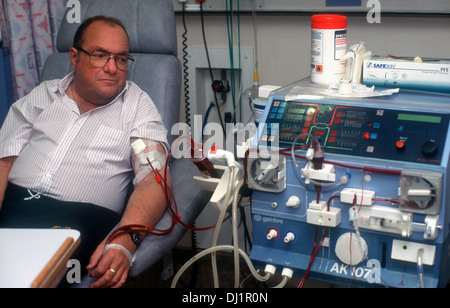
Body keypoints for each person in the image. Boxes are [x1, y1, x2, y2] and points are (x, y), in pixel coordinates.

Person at [0, 16, 171, 288]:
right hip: (13, 208)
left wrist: (125, 240)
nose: (112, 68)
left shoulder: (137, 106)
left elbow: (154, 180)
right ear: (74, 57)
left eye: (121, 59)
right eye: (100, 55)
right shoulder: (42, 96)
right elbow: (3, 164)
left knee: (25, 278)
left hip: (76, 222)